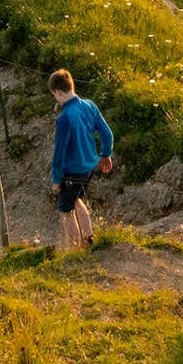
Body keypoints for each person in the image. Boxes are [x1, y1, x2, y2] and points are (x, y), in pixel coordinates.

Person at [47, 68, 114, 251]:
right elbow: (106, 133)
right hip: (89, 167)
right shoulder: (90, 105)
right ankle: (88, 237)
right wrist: (106, 154)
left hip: (72, 170)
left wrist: (56, 180)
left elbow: (59, 153)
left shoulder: (64, 118)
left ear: (58, 92)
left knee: (66, 209)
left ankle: (75, 248)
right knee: (76, 199)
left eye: (55, 95)